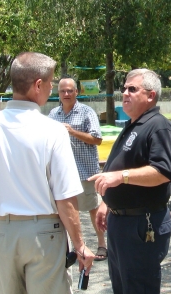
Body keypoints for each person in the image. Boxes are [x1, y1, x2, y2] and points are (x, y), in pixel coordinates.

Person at [0, 52, 94, 293]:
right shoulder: (52, 130)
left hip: (3, 233)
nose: (51, 90)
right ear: (38, 85)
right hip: (44, 233)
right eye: (50, 83)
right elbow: (65, 198)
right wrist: (80, 244)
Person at [90, 69, 171, 294]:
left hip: (142, 224)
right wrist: (106, 202)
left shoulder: (159, 126)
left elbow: (163, 171)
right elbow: (118, 166)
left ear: (150, 96)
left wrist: (120, 177)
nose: (125, 94)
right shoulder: (132, 125)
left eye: (132, 89)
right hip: (121, 223)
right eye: (124, 89)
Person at [49, 77, 107, 261]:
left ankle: (102, 245)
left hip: (85, 171)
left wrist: (72, 131)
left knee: (92, 209)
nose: (66, 94)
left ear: (76, 92)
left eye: (69, 91)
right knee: (61, 211)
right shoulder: (53, 114)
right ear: (58, 93)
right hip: (61, 173)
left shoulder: (86, 112)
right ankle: (69, 248)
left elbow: (97, 139)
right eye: (62, 91)